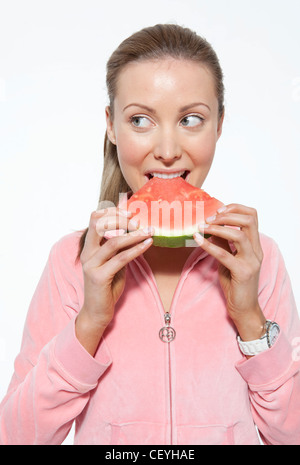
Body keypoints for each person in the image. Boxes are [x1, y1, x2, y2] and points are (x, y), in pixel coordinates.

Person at [1, 24, 300, 446]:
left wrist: (250, 319)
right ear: (110, 126)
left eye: (190, 119)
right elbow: (16, 437)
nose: (166, 148)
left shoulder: (256, 259)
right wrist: (90, 321)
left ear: (218, 126)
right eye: (140, 119)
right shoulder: (73, 263)